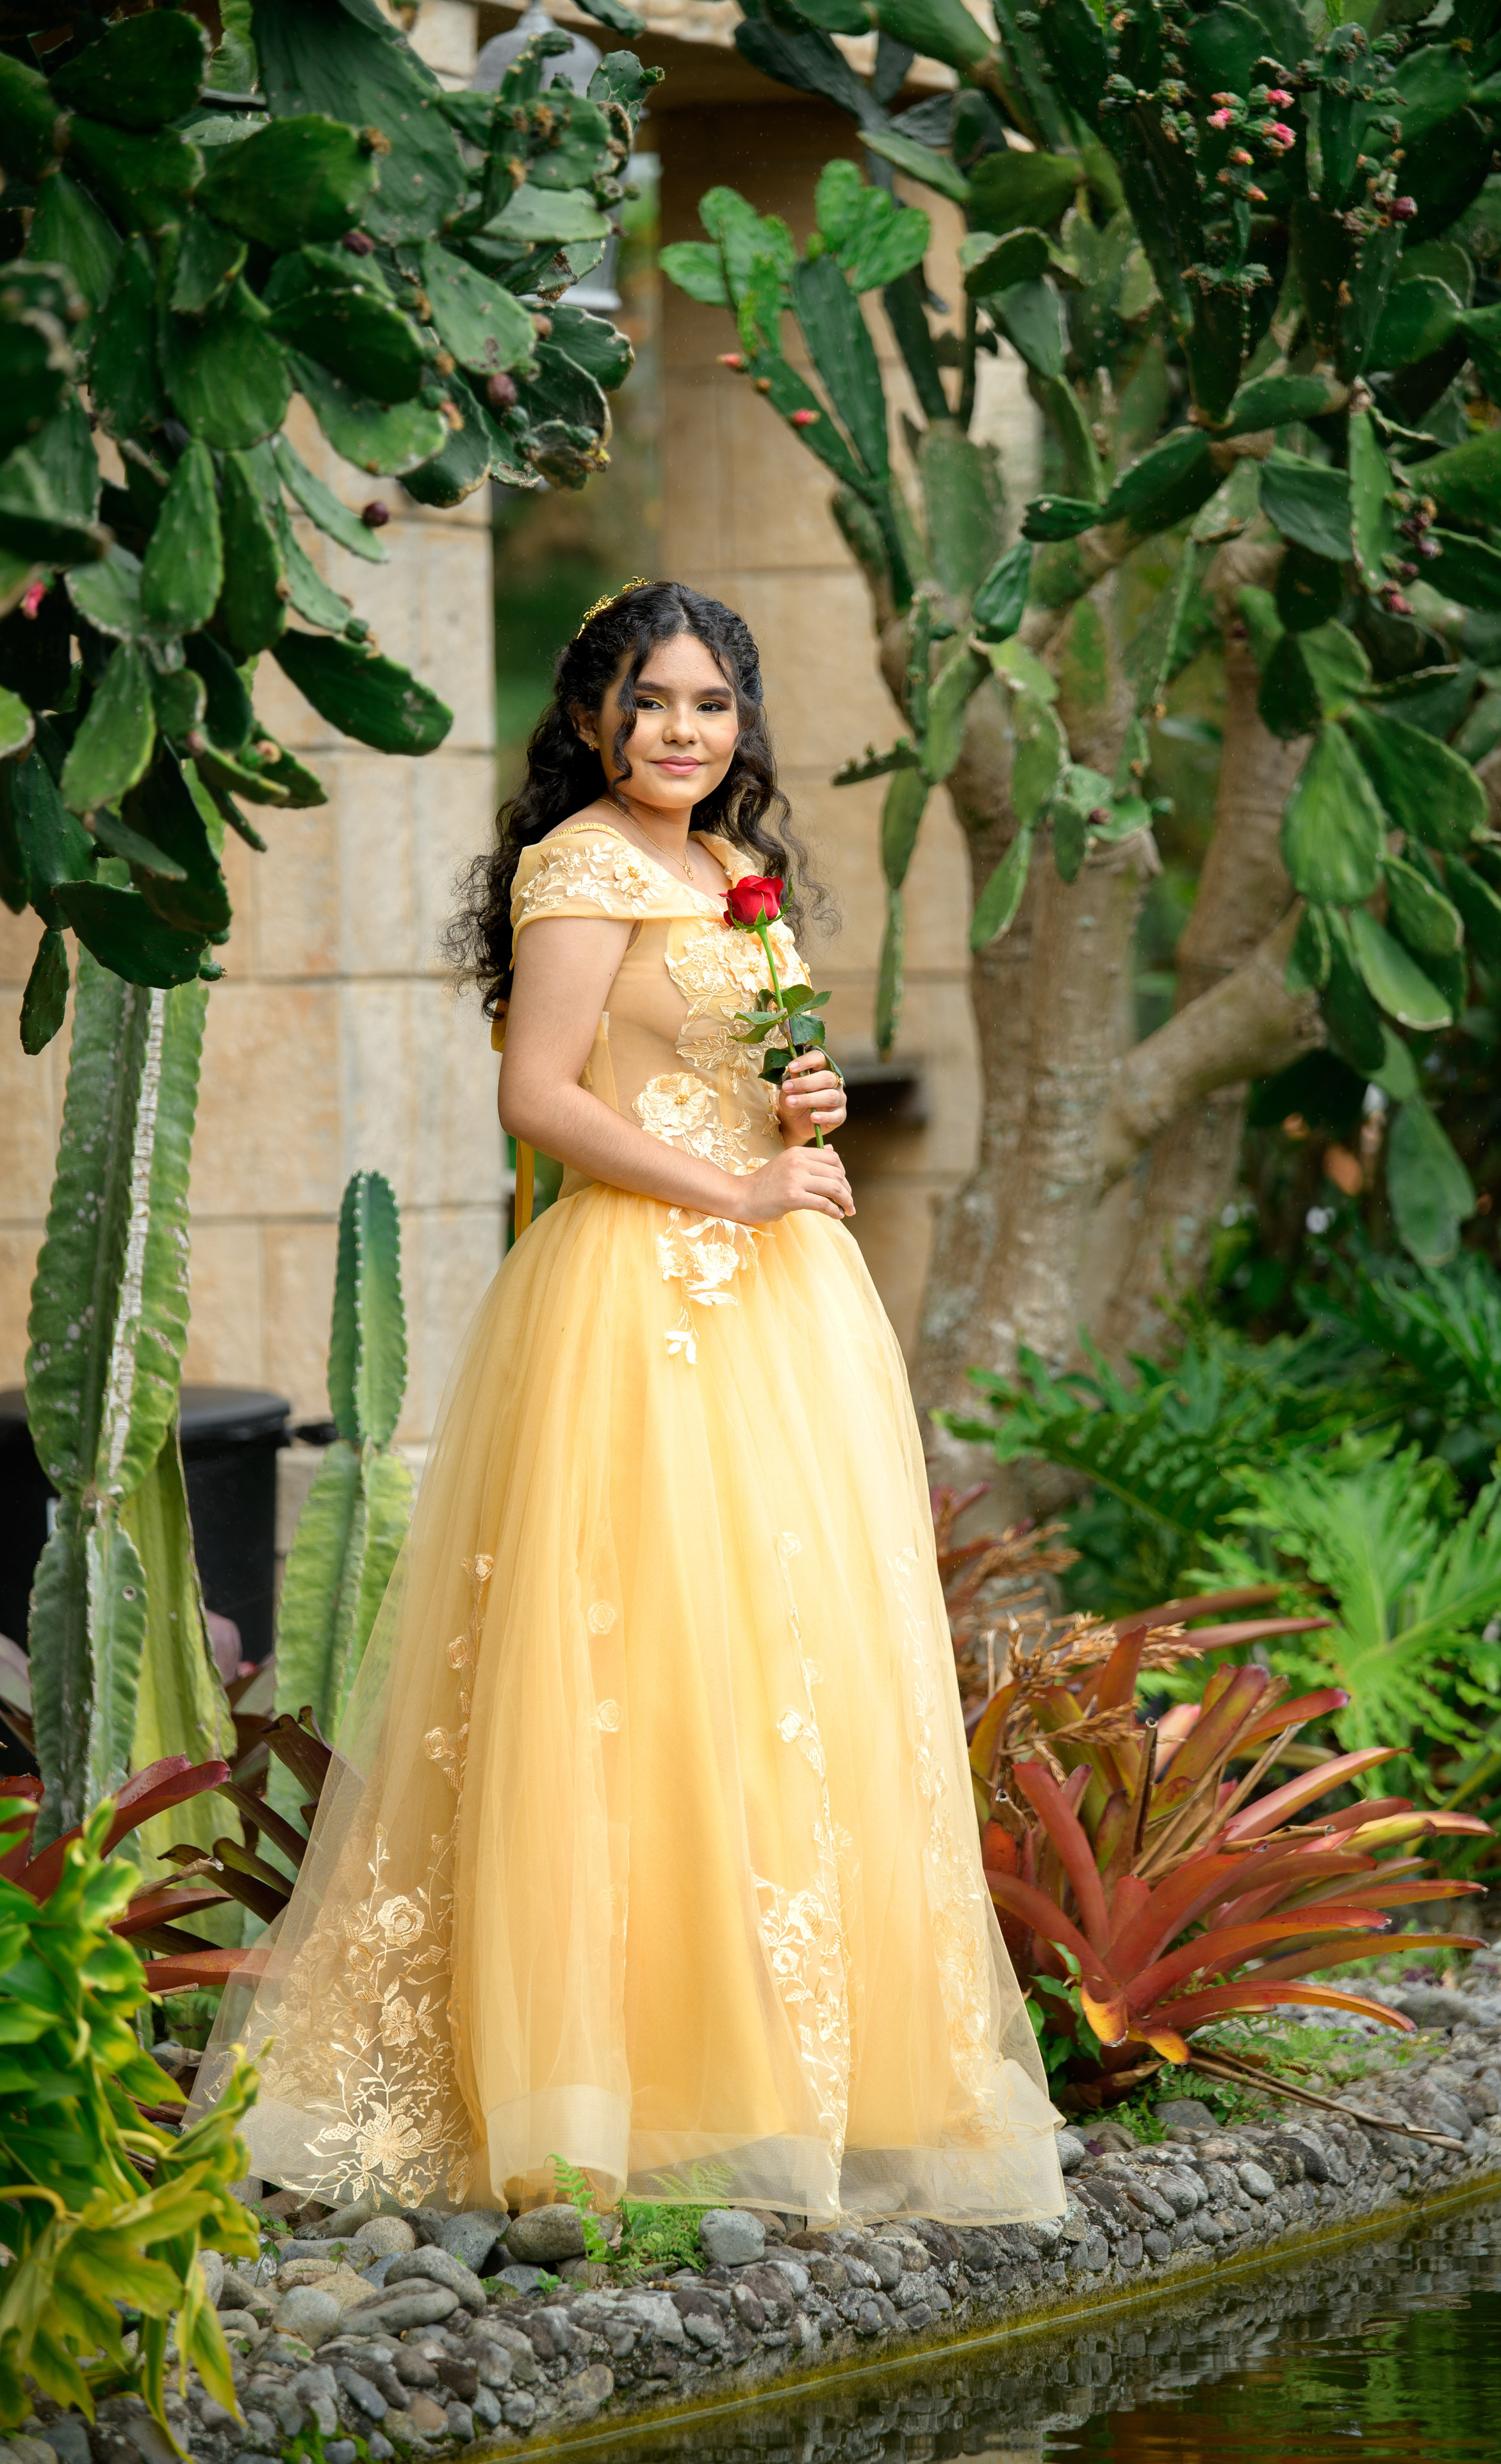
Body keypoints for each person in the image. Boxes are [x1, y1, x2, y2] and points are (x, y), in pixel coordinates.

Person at [195, 582, 1063, 2229]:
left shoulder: (730, 871)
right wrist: (727, 1189)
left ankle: (784, 2073)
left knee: (770, 1670)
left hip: (777, 1309)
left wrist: (788, 1104)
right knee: (623, 1673)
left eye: (713, 705)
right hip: (634, 1302)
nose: (682, 732)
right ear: (594, 711)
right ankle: (595, 2087)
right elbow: (539, 1097)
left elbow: (721, 1061)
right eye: (652, 702)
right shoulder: (579, 861)